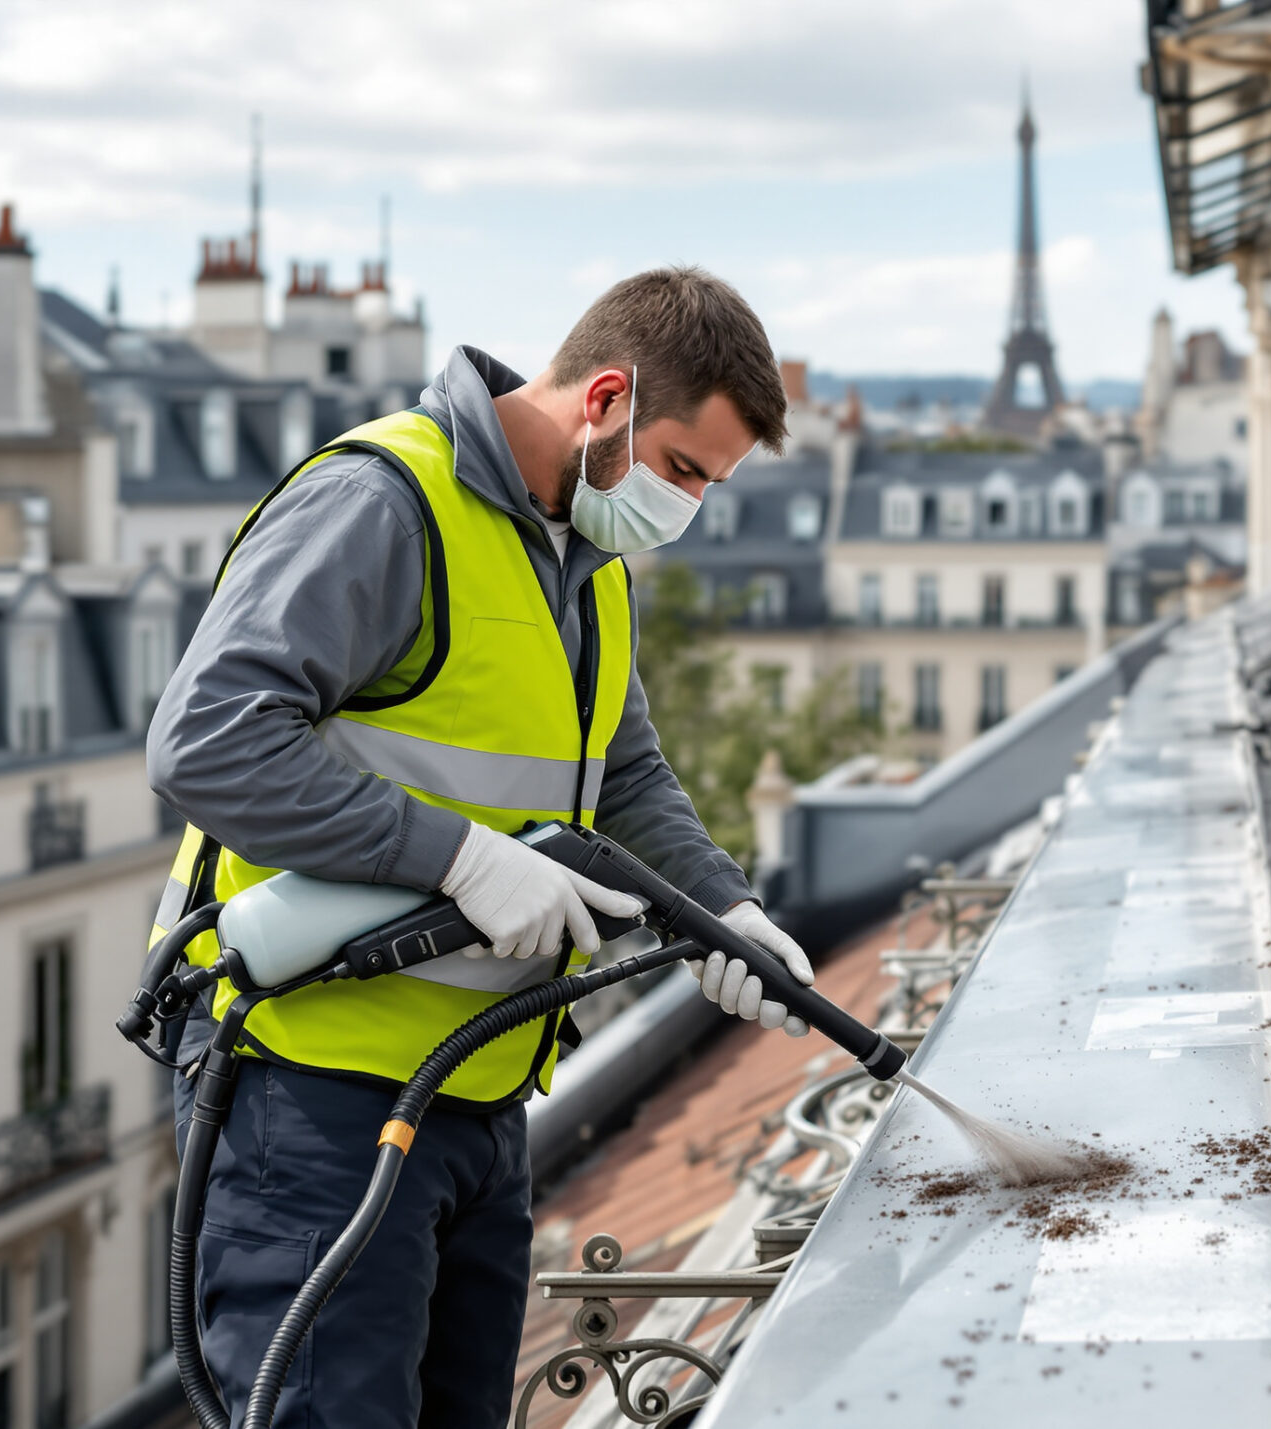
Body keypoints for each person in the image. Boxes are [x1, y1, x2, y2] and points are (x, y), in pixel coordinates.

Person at [145, 267, 816, 1428]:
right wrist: (460, 858)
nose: (689, 506)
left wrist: (724, 907)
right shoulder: (383, 502)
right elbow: (208, 743)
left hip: (476, 1092)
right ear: (604, 400)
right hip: (309, 1087)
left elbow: (624, 775)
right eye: (683, 469)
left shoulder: (586, 564)